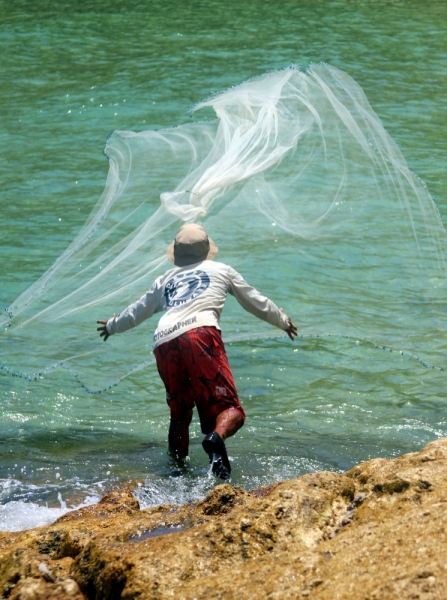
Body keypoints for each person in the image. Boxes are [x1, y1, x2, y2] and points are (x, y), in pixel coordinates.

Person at [97, 223, 297, 479]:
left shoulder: (164, 279)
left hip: (163, 340)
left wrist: (112, 326)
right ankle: (216, 438)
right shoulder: (221, 269)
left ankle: (176, 475)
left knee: (179, 414)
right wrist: (283, 321)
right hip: (200, 333)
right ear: (205, 251)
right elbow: (255, 302)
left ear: (178, 255)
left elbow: (137, 311)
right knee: (231, 410)